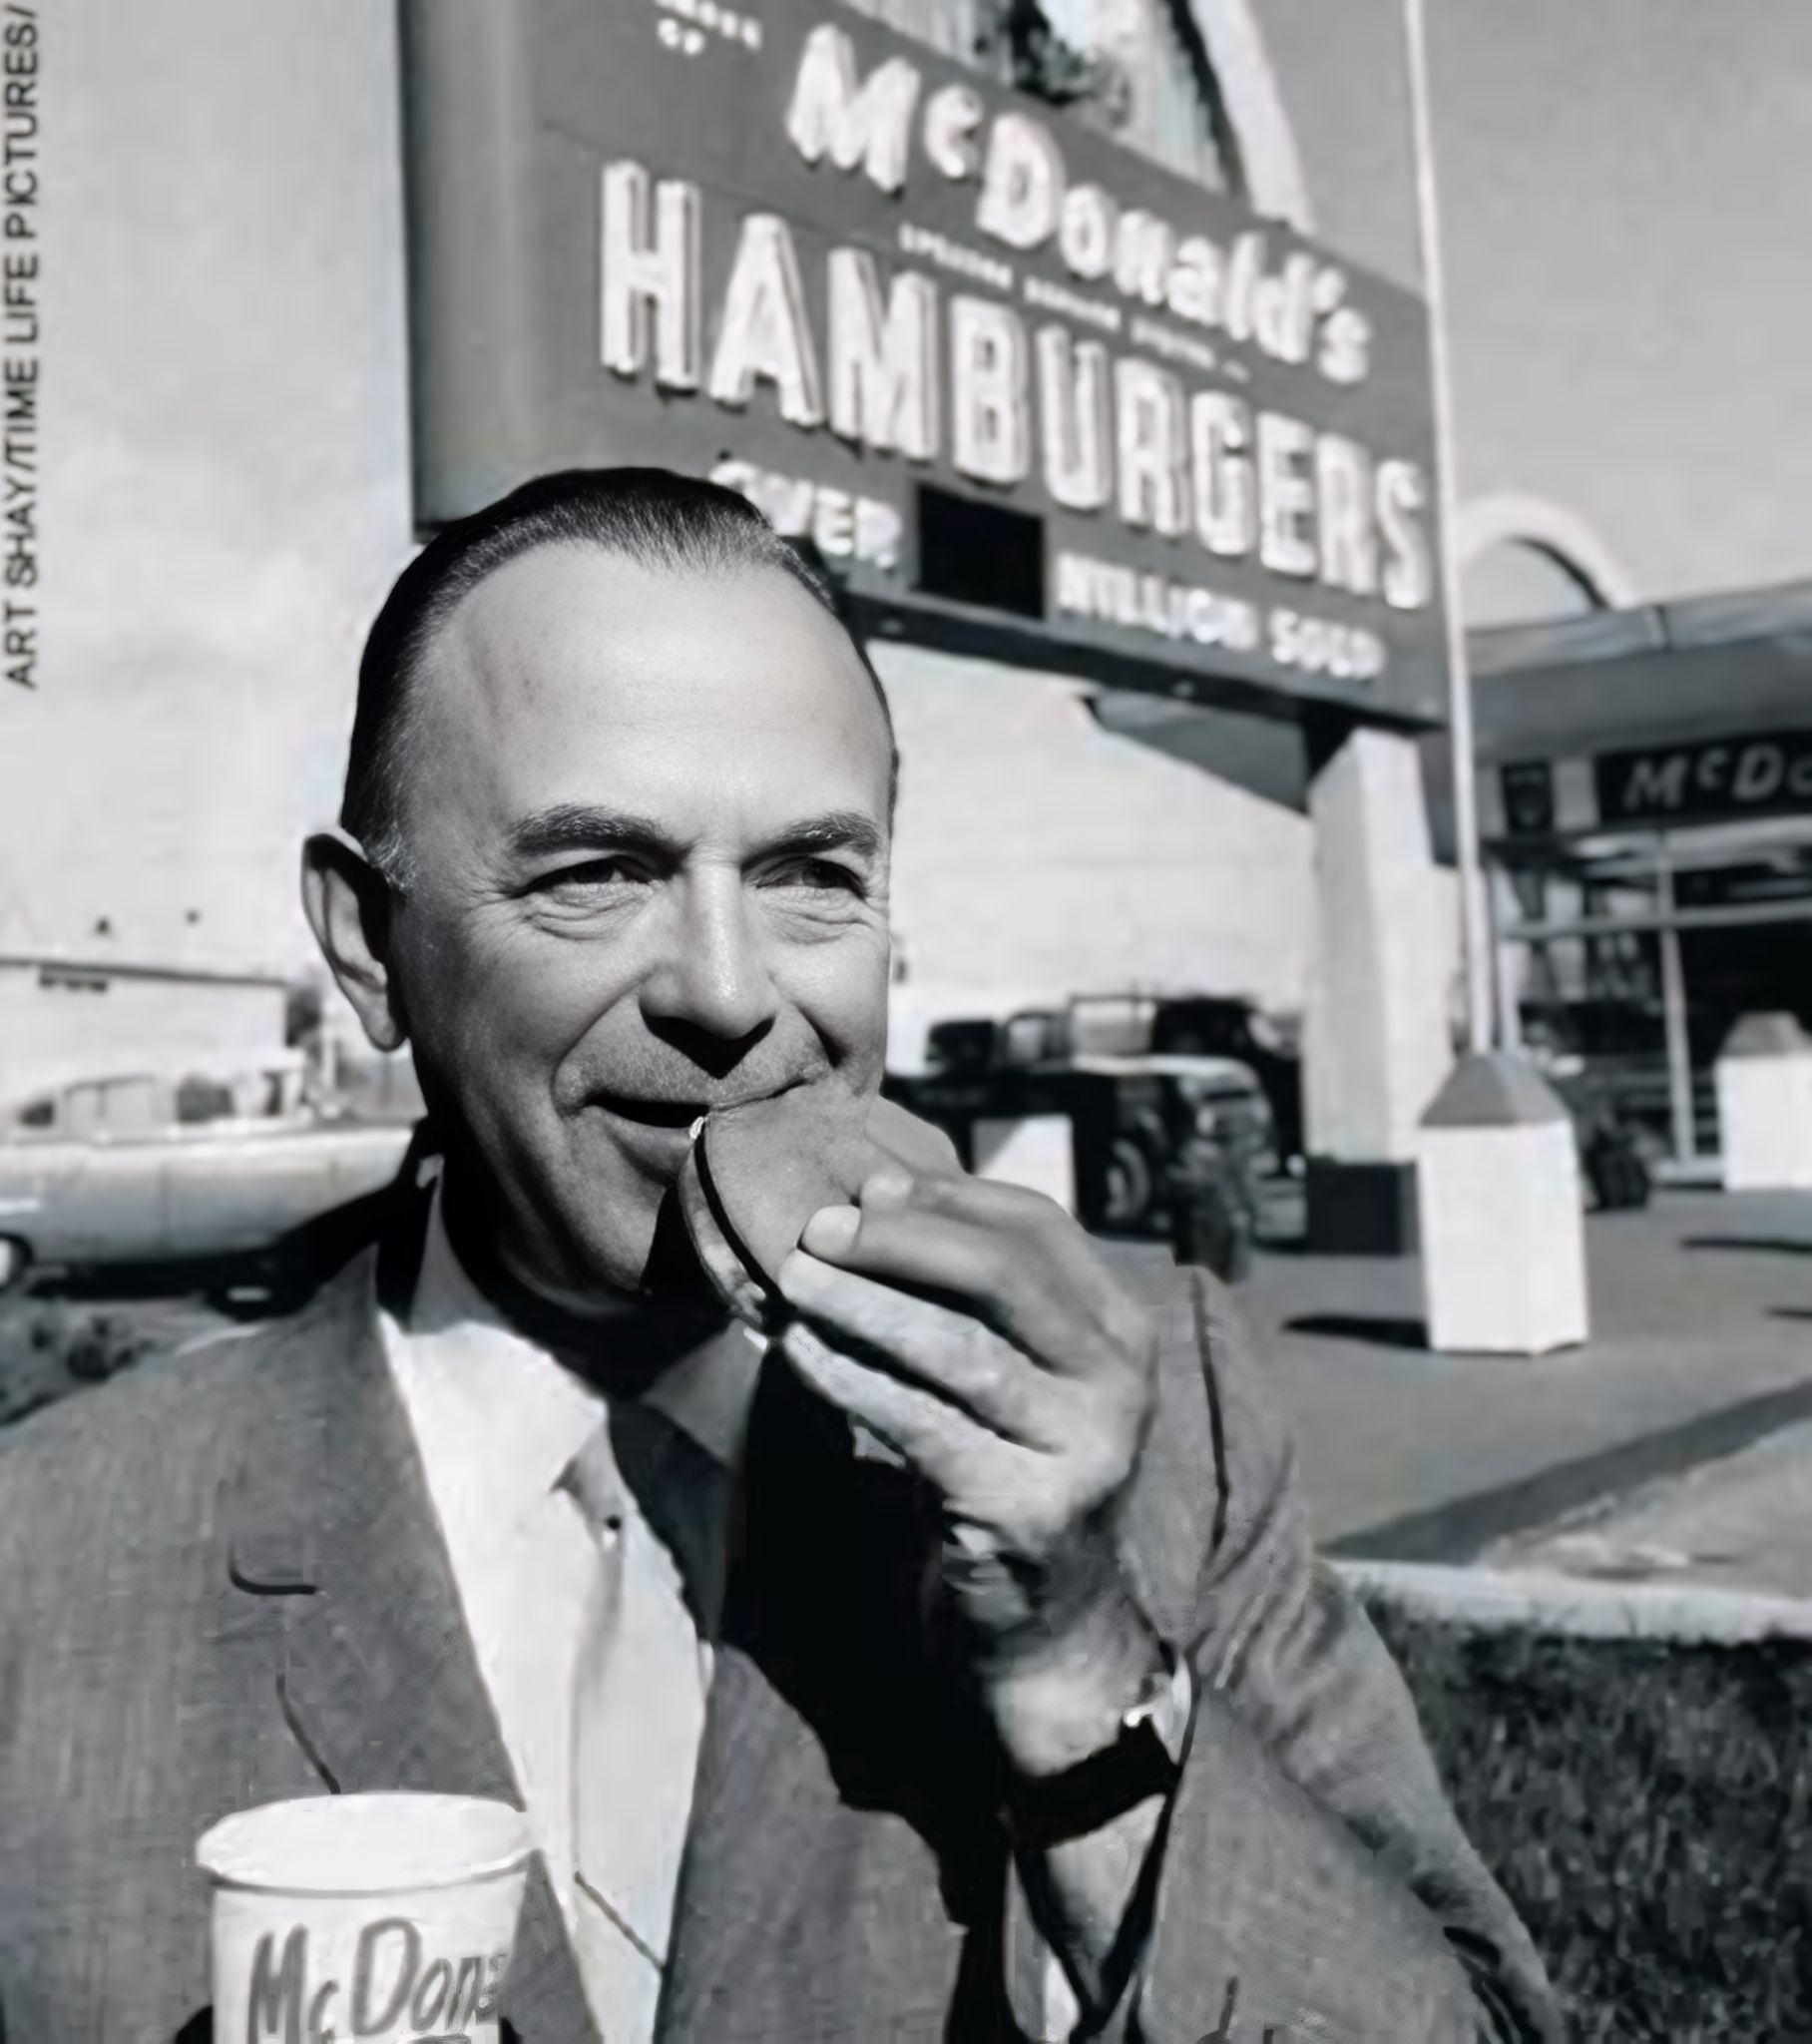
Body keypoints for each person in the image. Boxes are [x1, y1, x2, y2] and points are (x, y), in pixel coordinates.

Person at [0, 469, 1558, 2042]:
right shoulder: (49, 1556)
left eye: (811, 876)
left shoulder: (1161, 1432)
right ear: (368, 944)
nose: (731, 995)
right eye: (596, 873)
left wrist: (1076, 1658)